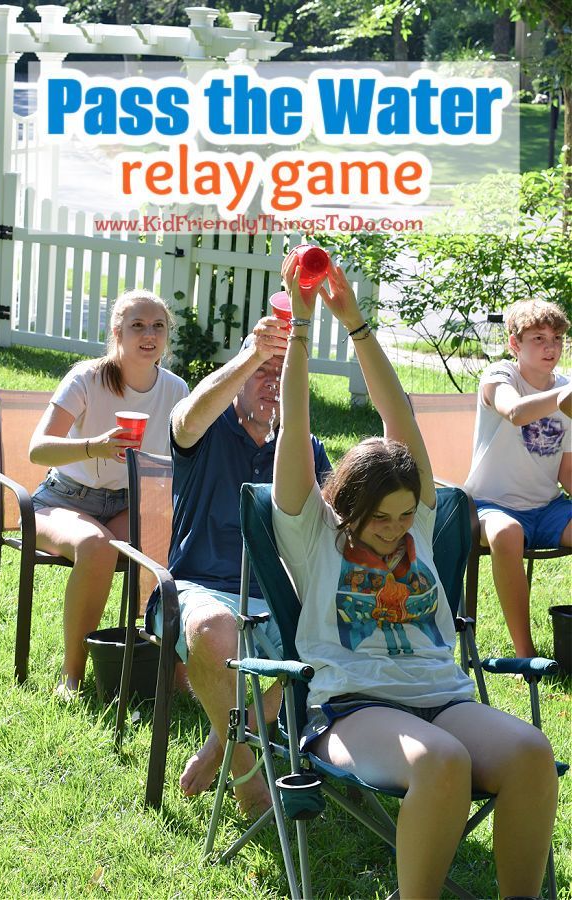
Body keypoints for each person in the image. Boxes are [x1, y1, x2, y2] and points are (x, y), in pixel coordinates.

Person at [271, 255, 558, 900]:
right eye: (381, 518)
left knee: (532, 752)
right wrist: (301, 326)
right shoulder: (313, 533)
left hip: (444, 697)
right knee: (442, 762)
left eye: (407, 514)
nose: (398, 528)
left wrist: (357, 324)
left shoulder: (419, 524)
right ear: (346, 507)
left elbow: (397, 416)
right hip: (352, 706)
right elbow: (297, 426)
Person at [145, 314, 331, 815]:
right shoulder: (206, 429)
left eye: (282, 372)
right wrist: (254, 352)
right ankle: (249, 776)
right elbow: (185, 418)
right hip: (195, 587)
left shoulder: (302, 446)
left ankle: (221, 742)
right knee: (213, 628)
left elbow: (329, 519)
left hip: (276, 593)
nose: (272, 382)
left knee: (336, 631)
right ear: (237, 375)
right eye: (261, 372)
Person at [29, 289, 189, 699]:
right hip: (61, 499)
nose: (149, 334)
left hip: (126, 503)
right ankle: (72, 676)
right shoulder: (87, 377)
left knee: (172, 540)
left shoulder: (175, 389)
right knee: (97, 547)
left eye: (158, 326)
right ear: (117, 332)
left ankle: (165, 670)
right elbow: (38, 448)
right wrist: (94, 446)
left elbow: (186, 458)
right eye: (138, 325)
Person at [464, 300, 571, 657]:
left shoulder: (566, 388)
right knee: (507, 534)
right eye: (538, 338)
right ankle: (526, 655)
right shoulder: (500, 376)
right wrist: (563, 398)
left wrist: (564, 395)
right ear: (514, 345)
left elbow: (566, 469)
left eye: (556, 338)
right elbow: (515, 413)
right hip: (489, 505)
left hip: (548, 507)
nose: (550, 347)